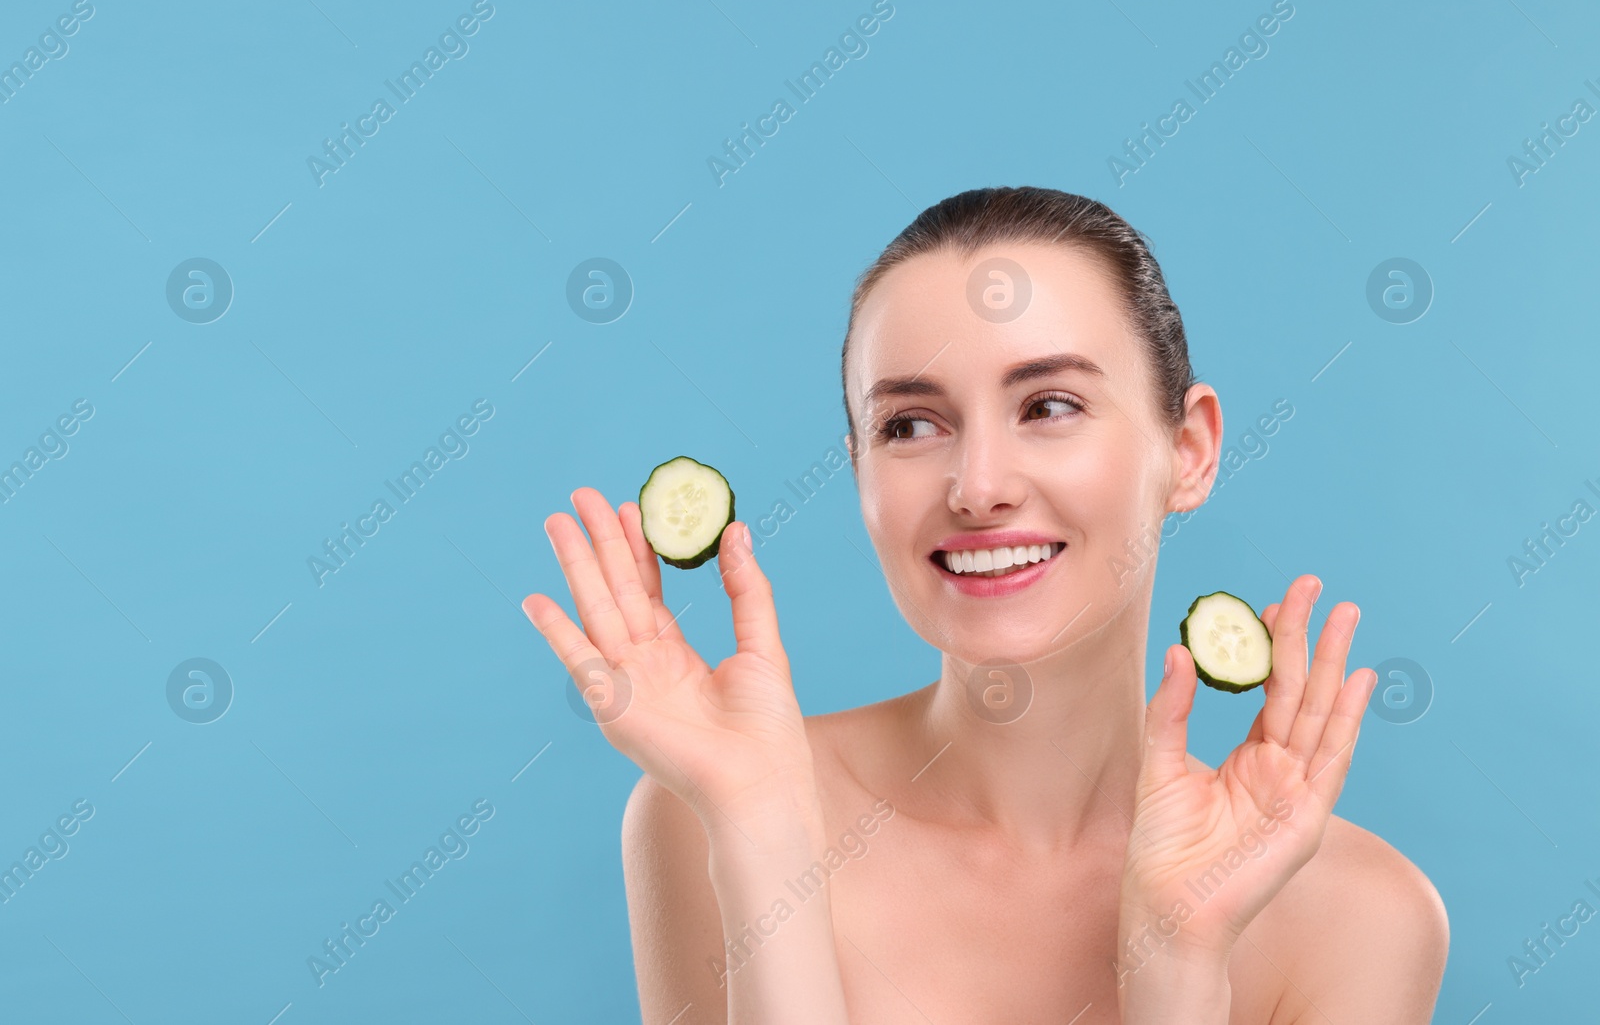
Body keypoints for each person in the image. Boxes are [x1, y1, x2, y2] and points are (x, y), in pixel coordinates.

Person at [522, 186, 1449, 1023]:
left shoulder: (1362, 916)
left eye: (1049, 405)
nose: (978, 486)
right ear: (858, 470)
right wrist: (763, 839)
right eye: (910, 425)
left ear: (1191, 449)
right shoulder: (706, 808)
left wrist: (1180, 967)